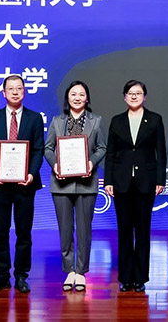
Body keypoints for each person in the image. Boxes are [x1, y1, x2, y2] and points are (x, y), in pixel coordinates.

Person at [0, 75, 45, 294]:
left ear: (24, 91)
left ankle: (21, 275)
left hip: (25, 184)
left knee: (23, 233)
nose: (15, 92)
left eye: (19, 88)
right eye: (11, 89)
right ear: (4, 93)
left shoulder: (35, 118)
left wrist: (31, 173)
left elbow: (38, 150)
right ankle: (1, 275)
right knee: (0, 232)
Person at [44, 81, 107, 291]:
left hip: (86, 183)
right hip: (61, 183)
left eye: (81, 94)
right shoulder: (57, 121)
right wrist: (55, 165)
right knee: (65, 230)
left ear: (87, 98)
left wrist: (91, 163)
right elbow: (48, 147)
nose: (77, 98)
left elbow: (102, 147)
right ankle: (69, 270)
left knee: (84, 229)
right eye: (73, 94)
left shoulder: (96, 121)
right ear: (67, 98)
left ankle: (81, 271)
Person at [104, 80, 166, 293]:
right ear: (124, 97)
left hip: (145, 183)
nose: (134, 96)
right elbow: (110, 153)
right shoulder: (117, 121)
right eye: (130, 93)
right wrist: (108, 181)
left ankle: (140, 278)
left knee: (142, 231)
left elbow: (161, 153)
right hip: (121, 183)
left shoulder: (155, 119)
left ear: (144, 97)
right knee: (124, 231)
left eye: (138, 93)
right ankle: (125, 277)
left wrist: (160, 180)